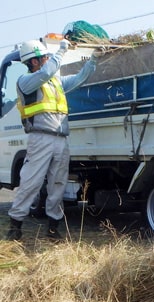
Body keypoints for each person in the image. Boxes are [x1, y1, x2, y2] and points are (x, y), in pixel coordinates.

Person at [6, 38, 101, 241]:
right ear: (34, 61)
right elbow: (47, 72)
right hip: (40, 138)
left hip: (60, 139)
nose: (48, 59)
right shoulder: (25, 81)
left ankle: (53, 227)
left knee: (58, 184)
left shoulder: (54, 82)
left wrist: (93, 60)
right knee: (31, 183)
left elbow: (78, 79)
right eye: (45, 57)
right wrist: (61, 51)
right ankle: (15, 226)